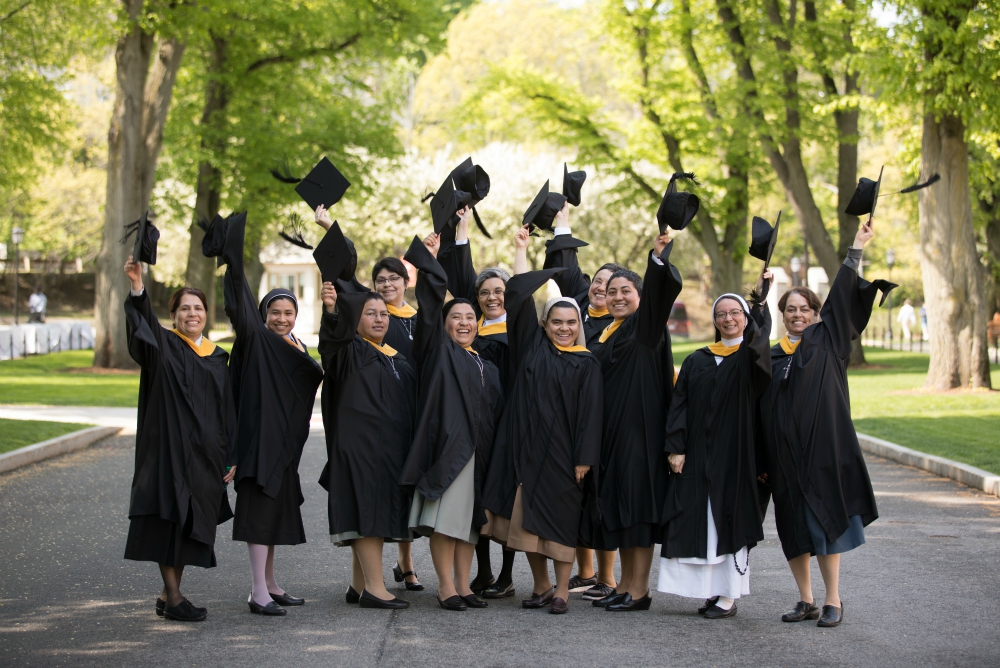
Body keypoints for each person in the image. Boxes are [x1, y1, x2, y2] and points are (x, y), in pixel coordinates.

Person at [759, 219, 887, 628]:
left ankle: (833, 599)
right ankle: (805, 599)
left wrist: (856, 248)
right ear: (783, 315)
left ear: (816, 314)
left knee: (824, 522)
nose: (798, 315)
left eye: (805, 309)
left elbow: (841, 298)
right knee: (792, 527)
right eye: (791, 309)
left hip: (821, 452)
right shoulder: (771, 355)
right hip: (783, 457)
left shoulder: (828, 341)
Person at [482, 225, 603, 614]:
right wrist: (521, 250)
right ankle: (541, 585)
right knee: (527, 521)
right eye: (556, 322)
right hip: (525, 449)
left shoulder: (587, 363)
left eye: (570, 323)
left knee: (562, 520)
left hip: (565, 454)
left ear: (578, 325)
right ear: (546, 325)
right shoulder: (531, 347)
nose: (564, 328)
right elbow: (518, 298)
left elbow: (591, 415)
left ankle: (564, 590)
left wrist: (584, 457)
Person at [315, 204, 423, 593]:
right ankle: (376, 590)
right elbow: (332, 338)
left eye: (383, 315)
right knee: (367, 511)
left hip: (387, 448)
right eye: (370, 312)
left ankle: (360, 585)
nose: (379, 318)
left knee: (375, 510)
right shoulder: (349, 352)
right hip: (361, 449)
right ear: (356, 319)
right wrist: (331, 312)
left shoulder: (396, 358)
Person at [122, 255, 236, 622]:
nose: (192, 314)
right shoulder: (162, 347)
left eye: (198, 307)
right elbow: (140, 330)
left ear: (207, 313)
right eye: (184, 308)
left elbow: (227, 409)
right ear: (172, 316)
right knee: (169, 521)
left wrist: (231, 455)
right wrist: (138, 288)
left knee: (188, 525)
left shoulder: (218, 357)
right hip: (168, 453)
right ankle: (173, 598)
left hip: (205, 455)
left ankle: (168, 593)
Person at [223, 213, 324, 616]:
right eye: (275, 312)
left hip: (285, 447)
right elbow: (242, 309)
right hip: (257, 444)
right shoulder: (255, 342)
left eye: (288, 312)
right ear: (263, 315)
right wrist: (233, 259)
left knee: (274, 515)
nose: (282, 318)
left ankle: (271, 584)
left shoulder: (298, 345)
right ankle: (257, 591)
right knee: (259, 517)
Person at [399, 234, 504, 612]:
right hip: (449, 450)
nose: (463, 322)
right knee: (446, 523)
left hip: (480, 452)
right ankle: (446, 587)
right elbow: (428, 307)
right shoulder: (438, 353)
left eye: (468, 317)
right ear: (443, 325)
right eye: (455, 317)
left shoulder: (486, 366)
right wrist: (428, 261)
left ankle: (464, 584)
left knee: (470, 526)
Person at [658, 285, 772, 619]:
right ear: (714, 321)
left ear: (746, 318)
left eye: (736, 312)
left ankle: (729, 595)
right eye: (721, 314)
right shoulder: (698, 360)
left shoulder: (752, 359)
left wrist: (761, 307)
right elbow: (679, 405)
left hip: (735, 456)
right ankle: (710, 590)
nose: (728, 318)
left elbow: (758, 345)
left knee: (729, 521)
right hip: (696, 457)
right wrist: (675, 448)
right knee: (698, 523)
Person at [588, 230, 682, 613]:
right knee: (622, 511)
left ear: (641, 297)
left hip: (639, 435)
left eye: (626, 290)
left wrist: (658, 258)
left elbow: (660, 296)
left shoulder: (646, 329)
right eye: (612, 291)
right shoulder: (608, 333)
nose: (618, 297)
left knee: (638, 511)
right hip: (612, 436)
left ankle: (639, 590)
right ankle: (624, 583)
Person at [541, 210, 623, 600]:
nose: (600, 289)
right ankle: (586, 571)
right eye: (597, 282)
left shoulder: (616, 327)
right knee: (577, 497)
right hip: (569, 421)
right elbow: (567, 269)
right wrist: (561, 224)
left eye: (609, 285)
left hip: (604, 421)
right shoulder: (577, 317)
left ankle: (607, 576)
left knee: (600, 497)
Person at [437, 207, 518, 598]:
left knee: (501, 499)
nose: (490, 297)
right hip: (474, 425)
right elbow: (462, 278)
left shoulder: (518, 330)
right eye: (484, 292)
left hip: (508, 421)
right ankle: (481, 572)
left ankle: (505, 574)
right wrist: (462, 229)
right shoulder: (469, 329)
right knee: (475, 498)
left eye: (499, 291)